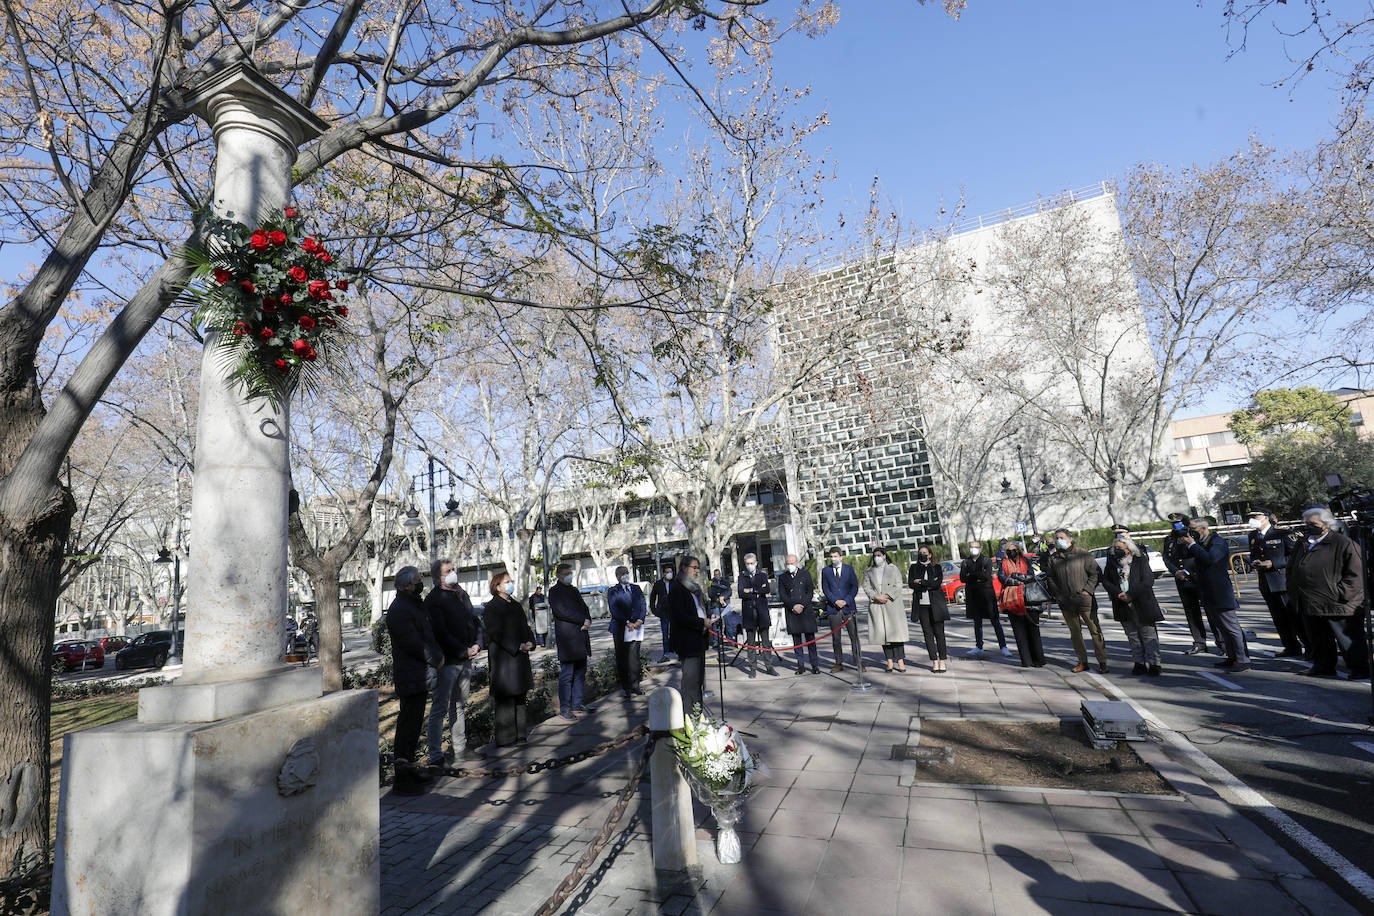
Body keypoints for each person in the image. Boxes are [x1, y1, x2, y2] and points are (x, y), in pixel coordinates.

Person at [1289, 506, 1370, 680]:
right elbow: (1292, 568)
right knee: (1319, 639)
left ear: (1326, 524)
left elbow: (1356, 575)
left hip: (1338, 604)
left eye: (1313, 523)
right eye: (1306, 523)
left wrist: (1340, 594)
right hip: (1311, 602)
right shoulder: (1303, 543)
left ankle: (1359, 669)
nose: (1308, 526)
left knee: (1348, 640)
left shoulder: (1343, 543)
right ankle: (1323, 666)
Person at [386, 566, 442, 795]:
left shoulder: (411, 604)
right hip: (412, 674)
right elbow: (413, 643)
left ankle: (408, 769)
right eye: (418, 581)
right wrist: (435, 659)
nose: (421, 584)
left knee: (413, 726)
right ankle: (402, 777)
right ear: (407, 585)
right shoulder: (400, 609)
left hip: (417, 675)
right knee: (407, 727)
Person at [424, 559, 481, 766]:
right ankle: (436, 755)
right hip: (448, 662)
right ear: (437, 577)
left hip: (466, 659)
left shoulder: (460, 593)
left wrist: (477, 644)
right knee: (440, 708)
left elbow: (474, 621)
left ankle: (460, 750)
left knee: (458, 706)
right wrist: (461, 651)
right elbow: (440, 633)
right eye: (448, 571)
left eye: (453, 569)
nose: (453, 573)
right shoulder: (434, 599)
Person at [1180, 516, 1251, 673]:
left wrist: (1192, 544)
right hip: (1207, 591)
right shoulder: (1200, 544)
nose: (1190, 533)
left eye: (1193, 529)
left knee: (1231, 627)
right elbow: (1195, 562)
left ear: (1203, 528)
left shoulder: (1217, 542)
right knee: (1221, 628)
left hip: (1220, 591)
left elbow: (1210, 558)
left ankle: (1243, 659)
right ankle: (1232, 657)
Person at [1044, 529, 1110, 674]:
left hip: (1085, 600)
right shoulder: (1054, 558)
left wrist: (1087, 590)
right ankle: (1082, 661)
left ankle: (1102, 662)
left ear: (1070, 539)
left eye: (1061, 537)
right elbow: (1050, 578)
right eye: (1057, 538)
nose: (1058, 540)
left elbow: (1095, 574)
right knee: (1075, 633)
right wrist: (1058, 594)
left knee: (1095, 631)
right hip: (1066, 601)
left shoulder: (1083, 554)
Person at [483, 570, 535, 746]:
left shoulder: (516, 605)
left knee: (520, 697)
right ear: (497, 586)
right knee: (506, 699)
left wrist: (530, 642)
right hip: (504, 660)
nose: (510, 584)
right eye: (507, 581)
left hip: (520, 659)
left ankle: (521, 735)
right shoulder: (491, 608)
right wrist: (516, 646)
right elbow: (496, 634)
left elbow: (525, 626)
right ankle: (506, 739)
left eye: (511, 581)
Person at [1101, 533, 1164, 676]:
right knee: (1132, 635)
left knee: (1148, 635)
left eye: (1120, 547)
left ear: (1128, 548)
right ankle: (1139, 662)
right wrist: (1118, 594)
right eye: (1115, 547)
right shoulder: (1112, 562)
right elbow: (1106, 581)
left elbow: (1148, 580)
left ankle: (1154, 663)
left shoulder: (1140, 559)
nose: (1116, 550)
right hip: (1121, 602)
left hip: (1141, 602)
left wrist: (1131, 594)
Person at [1247, 508, 1305, 658]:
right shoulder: (1253, 535)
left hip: (1282, 581)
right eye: (1251, 516)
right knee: (1279, 618)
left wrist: (1273, 563)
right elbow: (1253, 553)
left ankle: (1310, 647)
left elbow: (1296, 555)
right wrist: (1254, 562)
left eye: (1255, 516)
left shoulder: (1282, 533)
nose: (1252, 518)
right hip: (1266, 583)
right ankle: (1291, 647)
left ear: (1265, 518)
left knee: (1294, 616)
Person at [665, 555, 717, 713]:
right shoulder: (677, 588)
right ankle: (690, 716)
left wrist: (708, 618)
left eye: (698, 568)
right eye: (694, 567)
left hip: (697, 639)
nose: (696, 571)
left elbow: (697, 610)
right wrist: (702, 623)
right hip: (687, 641)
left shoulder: (693, 588)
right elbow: (680, 616)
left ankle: (697, 713)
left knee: (698, 682)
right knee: (690, 683)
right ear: (684, 568)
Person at [1162, 512, 1211, 656]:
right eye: (1173, 524)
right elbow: (1167, 558)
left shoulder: (1193, 536)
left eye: (1178, 523)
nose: (1176, 526)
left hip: (1198, 578)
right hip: (1182, 581)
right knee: (1191, 613)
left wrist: (1188, 572)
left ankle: (1221, 642)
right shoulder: (1170, 539)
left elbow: (1201, 555)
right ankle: (1199, 642)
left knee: (1210, 611)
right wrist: (1176, 571)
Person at [549, 563, 592, 719]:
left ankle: (578, 704)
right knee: (567, 675)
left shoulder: (574, 590)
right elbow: (561, 611)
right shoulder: (554, 591)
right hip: (568, 638)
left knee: (580, 672)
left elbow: (584, 607)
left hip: (580, 636)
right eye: (567, 573)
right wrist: (582, 620)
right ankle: (565, 708)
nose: (570, 575)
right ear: (559, 575)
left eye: (570, 572)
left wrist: (588, 619)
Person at [997, 541, 1045, 668]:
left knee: (1033, 630)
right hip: (1012, 599)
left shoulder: (1025, 561)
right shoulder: (1003, 563)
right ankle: (1026, 660)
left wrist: (1015, 577)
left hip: (1029, 598)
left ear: (1018, 550)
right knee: (1019, 632)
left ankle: (1038, 660)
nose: (1012, 552)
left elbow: (1030, 575)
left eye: (1014, 549)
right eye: (1009, 550)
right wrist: (1016, 581)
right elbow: (1002, 577)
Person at [961, 541, 1010, 659]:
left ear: (980, 549)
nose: (974, 549)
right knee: (977, 622)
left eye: (976, 547)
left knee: (995, 620)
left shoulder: (986, 560)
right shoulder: (965, 562)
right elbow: (963, 578)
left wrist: (971, 576)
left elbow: (986, 576)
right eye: (971, 547)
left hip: (987, 594)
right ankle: (979, 646)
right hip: (973, 594)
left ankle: (1003, 646)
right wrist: (976, 576)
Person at [864, 546, 909, 672]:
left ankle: (900, 661)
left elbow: (898, 584)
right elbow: (866, 586)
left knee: (896, 636)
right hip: (877, 606)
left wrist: (888, 595)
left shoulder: (893, 568)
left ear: (884, 556)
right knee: (883, 636)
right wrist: (875, 596)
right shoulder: (869, 571)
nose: (877, 558)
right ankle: (889, 661)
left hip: (892, 605)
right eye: (875, 555)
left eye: (879, 555)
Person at [821, 547, 864, 673]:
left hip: (848, 607)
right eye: (831, 556)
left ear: (841, 557)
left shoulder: (849, 569)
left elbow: (854, 587)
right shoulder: (826, 571)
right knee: (836, 638)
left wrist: (846, 600)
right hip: (833, 608)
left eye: (835, 556)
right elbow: (826, 589)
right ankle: (838, 662)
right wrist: (835, 601)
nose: (833, 558)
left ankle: (858, 661)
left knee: (854, 636)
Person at [908, 545, 950, 672]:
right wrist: (928, 583)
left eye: (925, 552)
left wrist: (920, 582)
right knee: (928, 634)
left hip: (936, 604)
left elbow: (937, 583)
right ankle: (934, 661)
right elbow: (911, 584)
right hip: (921, 605)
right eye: (920, 552)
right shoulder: (914, 568)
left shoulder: (936, 567)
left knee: (939, 634)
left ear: (930, 555)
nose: (922, 554)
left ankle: (942, 660)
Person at [607, 564, 647, 697]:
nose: (625, 575)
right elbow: (614, 609)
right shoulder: (613, 591)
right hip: (620, 628)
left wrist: (640, 620)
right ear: (617, 576)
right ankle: (626, 687)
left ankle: (635, 685)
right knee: (622, 658)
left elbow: (642, 604)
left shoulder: (636, 588)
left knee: (634, 658)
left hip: (636, 628)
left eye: (627, 572)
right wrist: (627, 622)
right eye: (622, 573)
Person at [778, 553, 820, 675]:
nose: (789, 565)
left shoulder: (805, 574)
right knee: (797, 640)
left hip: (805, 610)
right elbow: (783, 595)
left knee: (810, 640)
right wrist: (793, 606)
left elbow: (809, 592)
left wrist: (802, 605)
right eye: (788, 563)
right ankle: (800, 665)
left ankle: (815, 665)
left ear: (796, 563)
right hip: (792, 611)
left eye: (792, 563)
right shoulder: (783, 577)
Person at [736, 553, 777, 677]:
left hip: (762, 611)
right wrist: (757, 590)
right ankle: (752, 668)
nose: (750, 566)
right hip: (749, 612)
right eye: (747, 564)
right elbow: (741, 593)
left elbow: (767, 590)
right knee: (751, 642)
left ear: (756, 563)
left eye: (751, 563)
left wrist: (752, 590)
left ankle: (769, 666)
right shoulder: (742, 577)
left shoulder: (763, 575)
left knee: (765, 641)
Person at [649, 565, 677, 664]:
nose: (670, 573)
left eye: (671, 571)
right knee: (665, 634)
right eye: (667, 572)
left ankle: (679, 653)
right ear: (664, 573)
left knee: (676, 633)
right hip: (664, 612)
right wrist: (654, 610)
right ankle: (666, 654)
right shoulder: (658, 584)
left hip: (675, 612)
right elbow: (652, 597)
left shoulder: (675, 583)